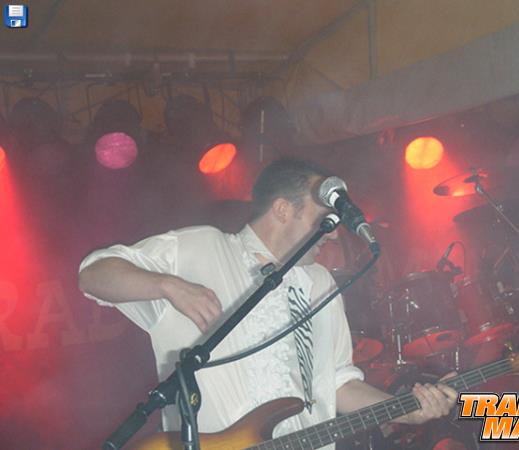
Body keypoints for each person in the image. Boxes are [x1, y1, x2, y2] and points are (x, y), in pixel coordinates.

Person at [78, 158, 457, 448]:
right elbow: (93, 274)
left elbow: (337, 384)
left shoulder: (320, 283)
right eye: (325, 219)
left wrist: (406, 412)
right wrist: (167, 285)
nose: (333, 233)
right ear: (282, 210)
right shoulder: (202, 249)